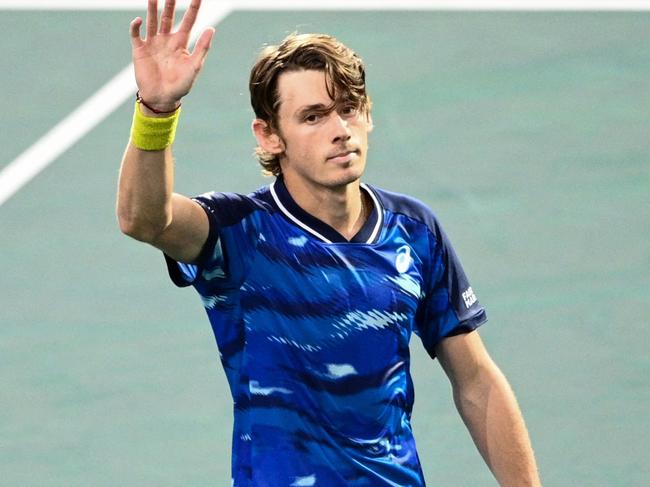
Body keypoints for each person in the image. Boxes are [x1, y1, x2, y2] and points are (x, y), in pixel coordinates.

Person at [117, 1, 541, 485]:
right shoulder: (239, 232)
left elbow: (477, 382)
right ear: (269, 135)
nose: (340, 131)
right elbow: (144, 219)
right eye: (313, 117)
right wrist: (157, 110)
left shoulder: (413, 231)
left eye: (348, 109)